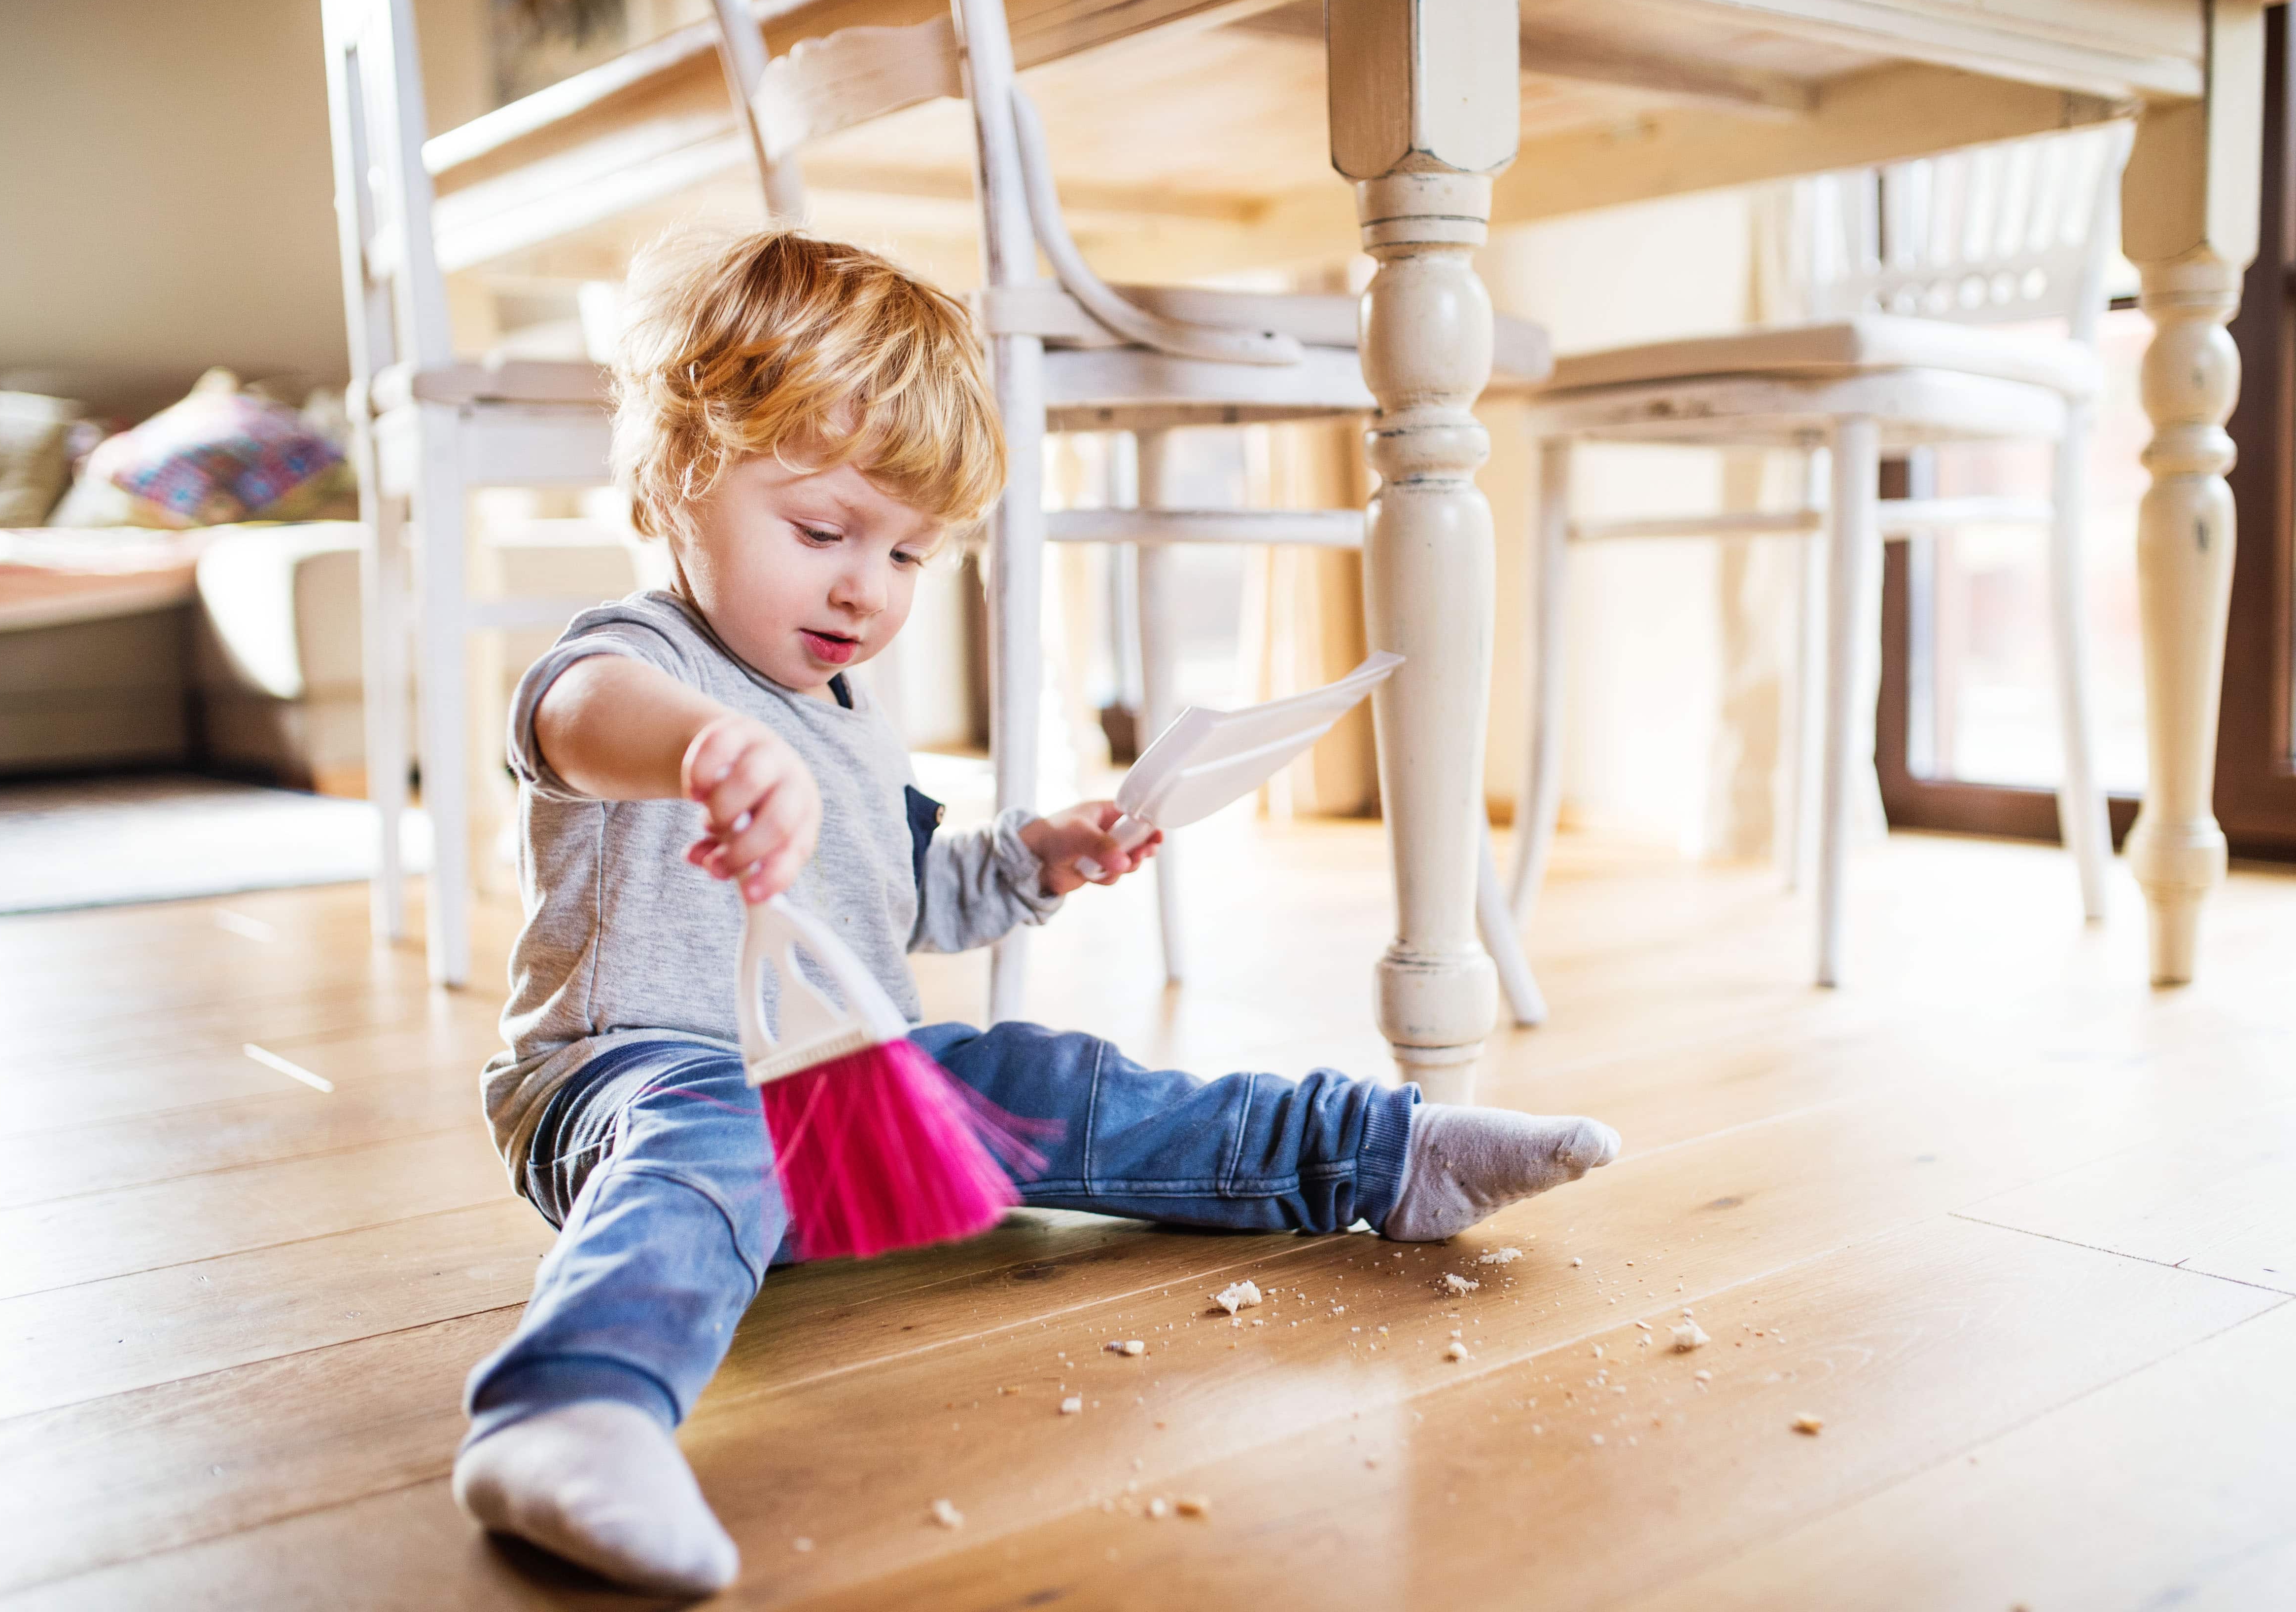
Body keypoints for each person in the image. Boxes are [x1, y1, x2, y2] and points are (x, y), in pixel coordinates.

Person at [451, 228, 1620, 1596]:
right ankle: (569, 1411)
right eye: (823, 531)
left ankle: (1379, 1156)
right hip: (632, 1073)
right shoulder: (638, 661)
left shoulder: (849, 716)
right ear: (676, 476)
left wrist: (1036, 858)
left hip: (850, 1082)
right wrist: (702, 749)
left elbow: (911, 897)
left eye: (906, 554)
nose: (861, 588)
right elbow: (574, 722)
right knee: (713, 1140)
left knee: (1066, 1085)